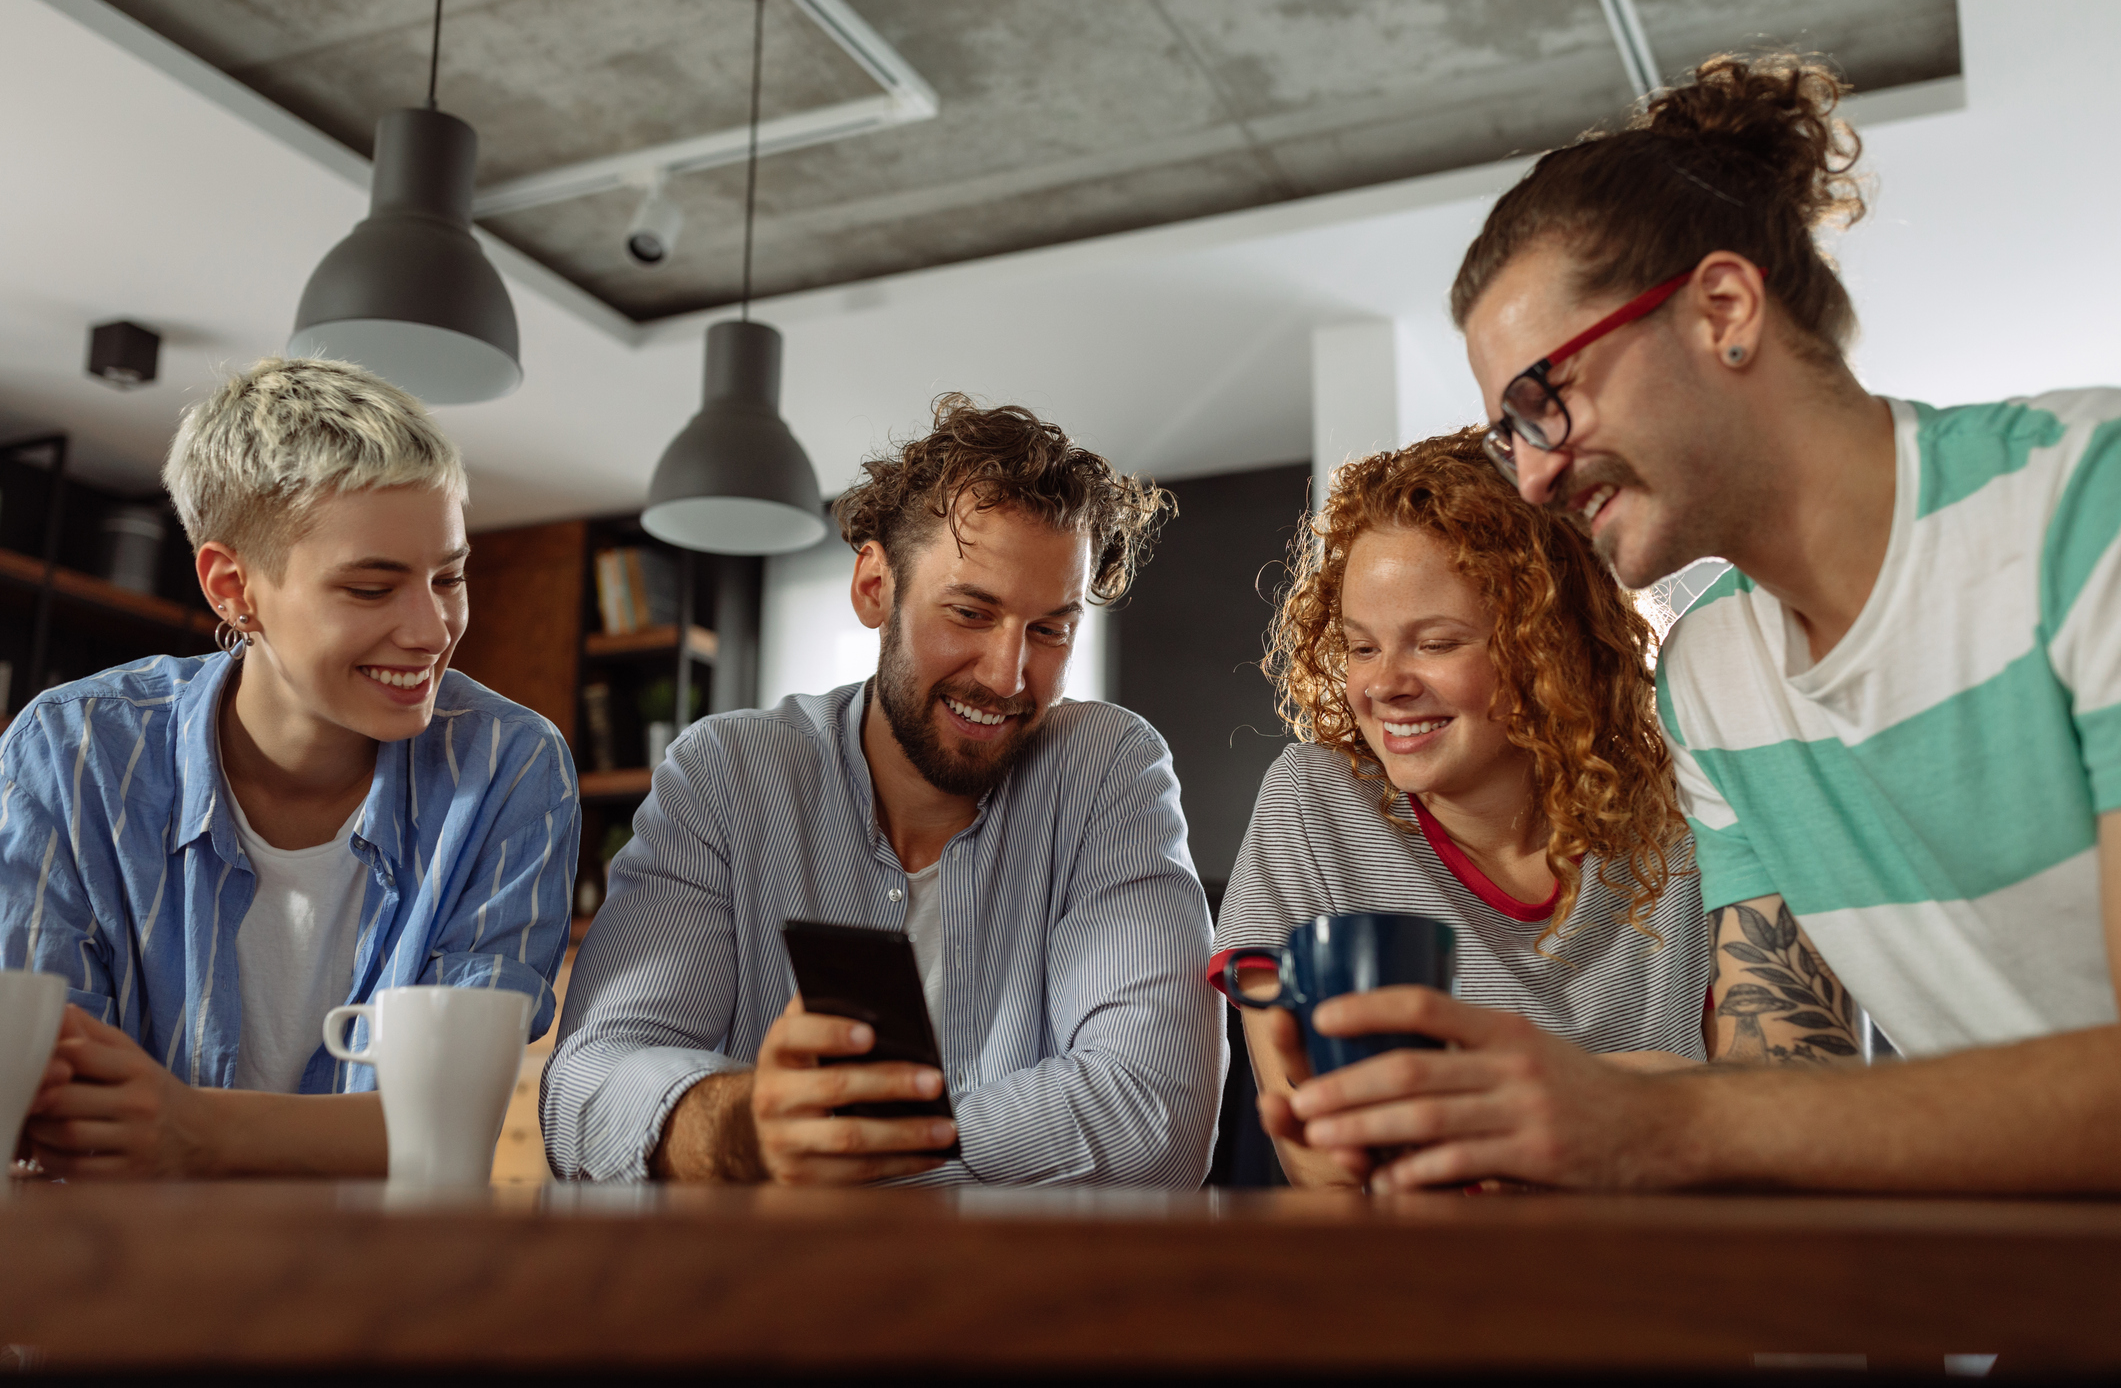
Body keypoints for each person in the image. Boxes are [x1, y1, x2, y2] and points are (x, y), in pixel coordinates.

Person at [1263, 53, 2121, 1192]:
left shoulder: (2085, 511)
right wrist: (1538, 1111)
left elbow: (1730, 1120)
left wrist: (1652, 1118)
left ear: (1723, 310)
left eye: (1545, 400)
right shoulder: (1714, 673)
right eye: (1511, 435)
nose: (1533, 478)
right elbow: (1788, 1084)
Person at [542, 394, 1225, 1186]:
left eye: (1049, 630)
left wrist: (840, 1151)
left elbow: (1155, 1118)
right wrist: (745, 1127)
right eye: (969, 613)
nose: (1007, 676)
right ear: (874, 586)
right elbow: (583, 1091)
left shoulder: (1107, 770)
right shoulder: (726, 775)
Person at [3, 357, 576, 1179]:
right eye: (371, 589)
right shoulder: (73, 751)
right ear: (233, 587)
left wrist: (193, 1128)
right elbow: (39, 1105)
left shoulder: (509, 769)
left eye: (448, 577)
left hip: (375, 1258)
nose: (431, 631)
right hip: (104, 1252)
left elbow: (449, 1124)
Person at [1215, 429, 1710, 1186]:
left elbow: (1771, 1107)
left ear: (1548, 644)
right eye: (1360, 647)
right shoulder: (1313, 803)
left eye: (1437, 644)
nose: (1385, 685)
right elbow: (1318, 1155)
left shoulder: (1689, 809)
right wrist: (1638, 1100)